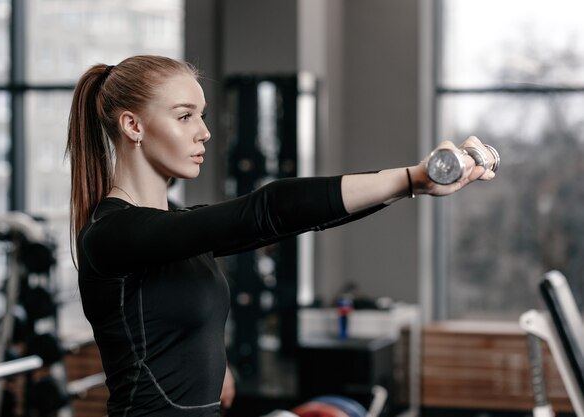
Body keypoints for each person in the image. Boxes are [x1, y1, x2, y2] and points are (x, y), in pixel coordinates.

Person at [65, 55, 496, 417]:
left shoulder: (175, 229)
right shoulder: (112, 235)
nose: (204, 132)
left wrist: (413, 186)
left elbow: (298, 219)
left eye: (202, 115)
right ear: (132, 126)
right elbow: (266, 211)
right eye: (184, 116)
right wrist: (409, 176)